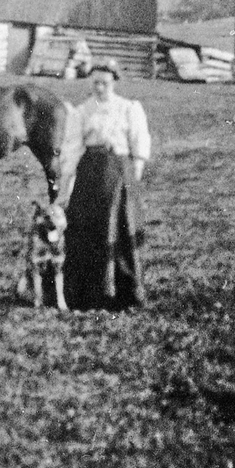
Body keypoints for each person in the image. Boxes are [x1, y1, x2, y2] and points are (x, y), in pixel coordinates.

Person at [58, 59, 151, 310]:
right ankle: (88, 295)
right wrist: (66, 184)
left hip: (119, 174)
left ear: (114, 82)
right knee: (88, 231)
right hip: (90, 176)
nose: (100, 88)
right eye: (96, 83)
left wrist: (134, 178)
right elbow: (72, 148)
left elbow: (139, 143)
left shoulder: (128, 108)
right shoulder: (82, 111)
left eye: (105, 83)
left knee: (119, 229)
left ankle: (124, 293)